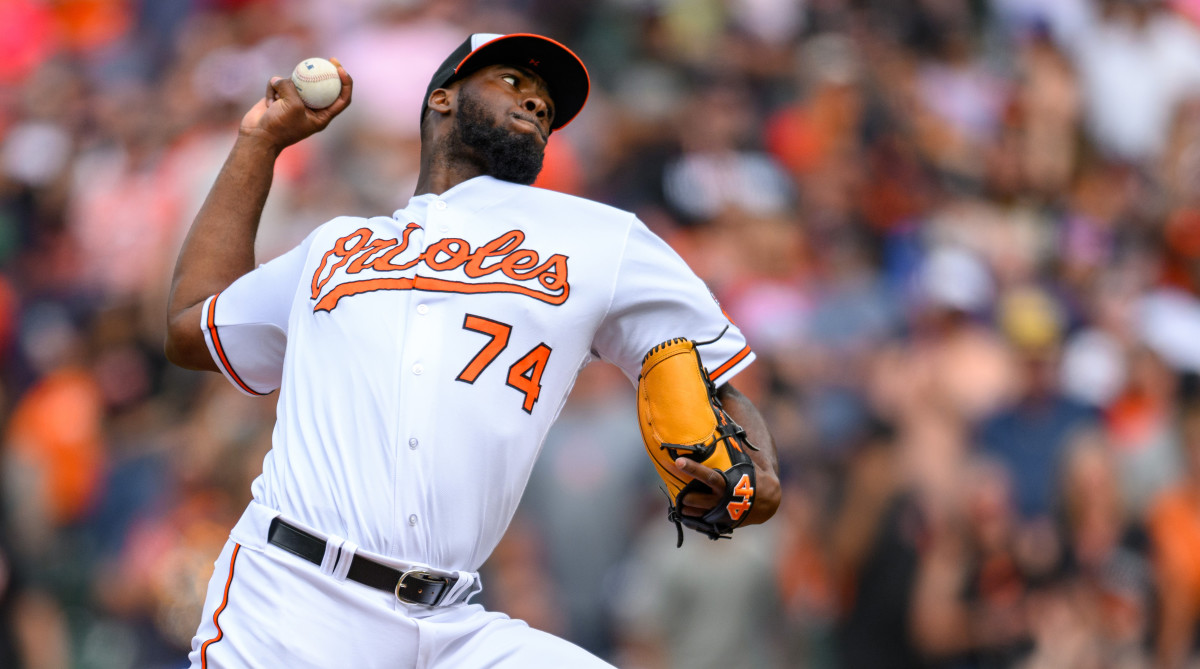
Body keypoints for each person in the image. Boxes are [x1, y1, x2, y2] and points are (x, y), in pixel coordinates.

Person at [163, 32, 780, 668]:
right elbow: (190, 327)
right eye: (514, 81)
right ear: (442, 99)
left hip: (450, 624)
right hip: (291, 602)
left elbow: (718, 382)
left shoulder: (602, 240)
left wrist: (763, 472)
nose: (538, 102)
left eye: (547, 102)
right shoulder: (336, 245)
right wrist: (259, 142)